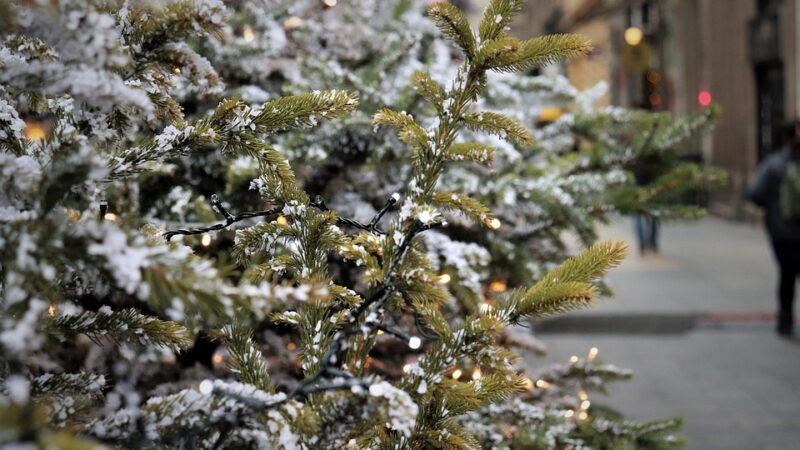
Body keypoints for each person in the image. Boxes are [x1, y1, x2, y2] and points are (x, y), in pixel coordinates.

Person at [748, 121, 800, 337]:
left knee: (787, 277)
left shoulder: (773, 164)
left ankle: (785, 320)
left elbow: (755, 194)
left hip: (782, 232)